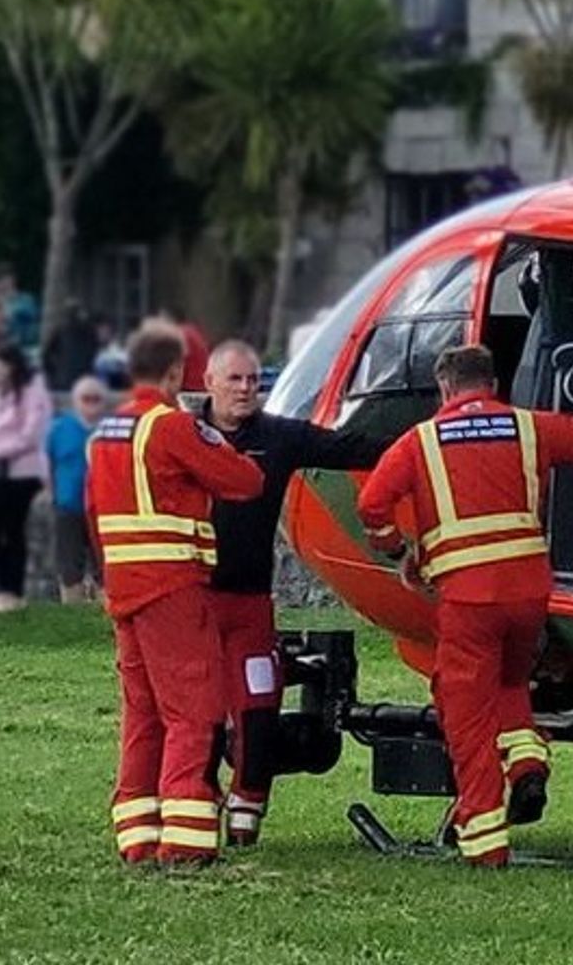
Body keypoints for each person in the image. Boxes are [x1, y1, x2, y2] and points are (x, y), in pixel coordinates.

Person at [357, 344, 573, 867]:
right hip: (528, 592)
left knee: (466, 712)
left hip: (467, 597)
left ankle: (484, 841)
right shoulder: (529, 427)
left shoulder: (421, 442)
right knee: (509, 682)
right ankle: (527, 763)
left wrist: (399, 550)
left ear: (444, 388)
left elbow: (372, 505)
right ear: (493, 383)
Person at [87, 326, 263, 865]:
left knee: (143, 713)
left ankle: (137, 837)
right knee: (193, 708)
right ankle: (185, 842)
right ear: (172, 374)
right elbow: (243, 481)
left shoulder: (106, 431)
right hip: (171, 586)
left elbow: (93, 514)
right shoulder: (172, 426)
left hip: (123, 587)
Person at [198, 340, 385, 845]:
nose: (244, 390)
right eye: (234, 380)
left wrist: (421, 440)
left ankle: (247, 812)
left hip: (253, 603)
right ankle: (194, 808)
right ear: (209, 381)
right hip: (194, 604)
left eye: (253, 381)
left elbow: (347, 447)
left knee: (260, 703)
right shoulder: (181, 436)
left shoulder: (278, 437)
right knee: (200, 710)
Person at [0, 342, 53, 613]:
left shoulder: (32, 391)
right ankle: (3, 587)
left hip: (21, 472)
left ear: (11, 366)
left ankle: (13, 592)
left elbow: (30, 435)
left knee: (11, 529)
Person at [46, 376, 107, 603]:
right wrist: (53, 494)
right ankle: (72, 606)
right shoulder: (58, 429)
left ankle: (105, 605)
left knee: (103, 564)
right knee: (69, 565)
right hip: (68, 506)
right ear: (75, 400)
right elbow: (47, 464)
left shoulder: (109, 429)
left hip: (101, 508)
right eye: (86, 398)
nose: (91, 403)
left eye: (96, 399)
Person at [42, 300, 100, 391]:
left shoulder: (60, 330)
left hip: (66, 379)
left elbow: (46, 355)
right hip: (78, 379)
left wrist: (53, 374)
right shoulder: (88, 331)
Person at [0, 264, 40, 352]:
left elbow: (32, 320)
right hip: (1, 347)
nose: (2, 284)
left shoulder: (26, 300)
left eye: (5, 279)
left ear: (13, 280)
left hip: (24, 346)